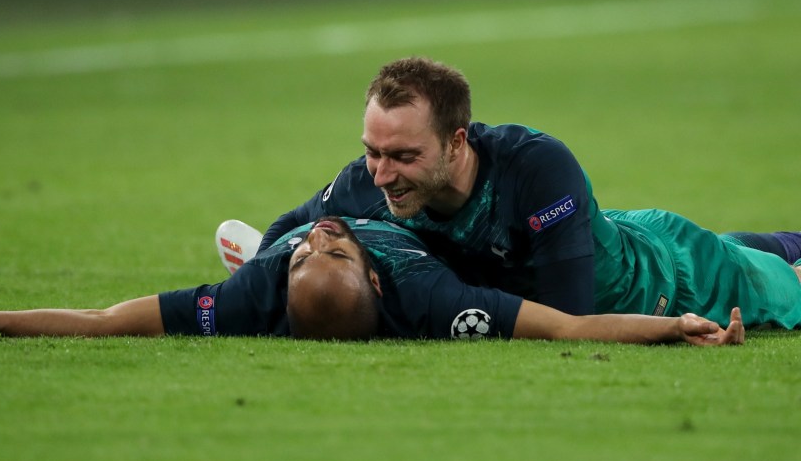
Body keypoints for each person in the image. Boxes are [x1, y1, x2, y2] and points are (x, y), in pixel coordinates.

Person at [259, 57, 801, 327]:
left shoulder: (537, 168)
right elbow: (287, 232)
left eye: (404, 156)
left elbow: (572, 320)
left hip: (672, 281)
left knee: (782, 284)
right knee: (754, 246)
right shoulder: (370, 179)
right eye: (373, 152)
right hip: (607, 235)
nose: (381, 174)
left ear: (456, 141)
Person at [0, 216, 745, 346]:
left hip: (342, 199)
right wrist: (674, 328)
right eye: (316, 256)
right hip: (416, 225)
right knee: (746, 256)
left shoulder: (259, 291)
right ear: (371, 281)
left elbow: (107, 319)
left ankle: (260, 226)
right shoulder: (430, 296)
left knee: (269, 230)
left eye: (311, 255)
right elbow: (565, 327)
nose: (320, 245)